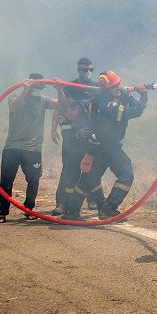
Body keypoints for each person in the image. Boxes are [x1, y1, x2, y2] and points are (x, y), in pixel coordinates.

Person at [64, 70, 148, 221]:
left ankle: (72, 212)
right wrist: (143, 94)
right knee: (126, 175)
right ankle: (109, 208)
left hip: (100, 145)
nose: (119, 87)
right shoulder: (107, 104)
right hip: (108, 146)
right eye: (115, 86)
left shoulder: (110, 96)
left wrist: (127, 94)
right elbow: (136, 111)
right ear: (107, 89)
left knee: (89, 178)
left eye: (119, 84)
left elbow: (131, 103)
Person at [0, 73, 57, 223]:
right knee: (6, 181)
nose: (38, 89)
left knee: (34, 179)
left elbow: (61, 104)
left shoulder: (43, 100)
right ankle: (3, 213)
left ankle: (28, 209)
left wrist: (59, 89)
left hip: (33, 149)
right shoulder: (16, 96)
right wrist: (24, 91)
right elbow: (13, 107)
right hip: (12, 147)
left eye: (40, 86)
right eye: (36, 85)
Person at [49, 57, 97, 215]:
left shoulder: (97, 87)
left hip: (90, 135)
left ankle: (92, 200)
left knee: (91, 167)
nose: (87, 73)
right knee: (69, 169)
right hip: (72, 136)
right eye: (84, 70)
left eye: (90, 70)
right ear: (78, 70)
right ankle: (62, 203)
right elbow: (60, 107)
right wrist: (53, 128)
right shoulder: (70, 87)